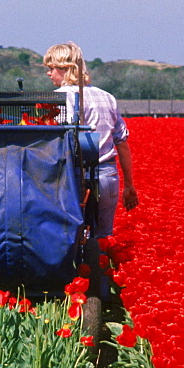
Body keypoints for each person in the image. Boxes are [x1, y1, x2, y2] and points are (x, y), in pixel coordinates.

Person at [43, 42, 139, 238]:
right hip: (107, 175)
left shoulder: (57, 99)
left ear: (65, 68)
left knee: (70, 237)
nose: (48, 73)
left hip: (71, 176)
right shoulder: (107, 98)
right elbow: (122, 143)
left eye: (51, 68)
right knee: (102, 238)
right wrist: (129, 185)